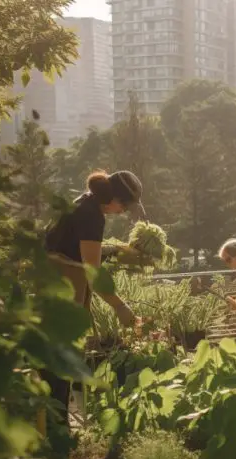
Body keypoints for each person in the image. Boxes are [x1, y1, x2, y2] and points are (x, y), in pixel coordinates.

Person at [43, 169, 144, 424]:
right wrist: (121, 307)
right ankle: (55, 428)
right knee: (60, 360)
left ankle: (52, 425)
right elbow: (92, 272)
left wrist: (113, 250)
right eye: (125, 206)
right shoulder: (92, 216)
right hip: (64, 289)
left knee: (53, 359)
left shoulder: (82, 203)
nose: (123, 212)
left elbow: (76, 249)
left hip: (51, 283)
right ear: (116, 200)